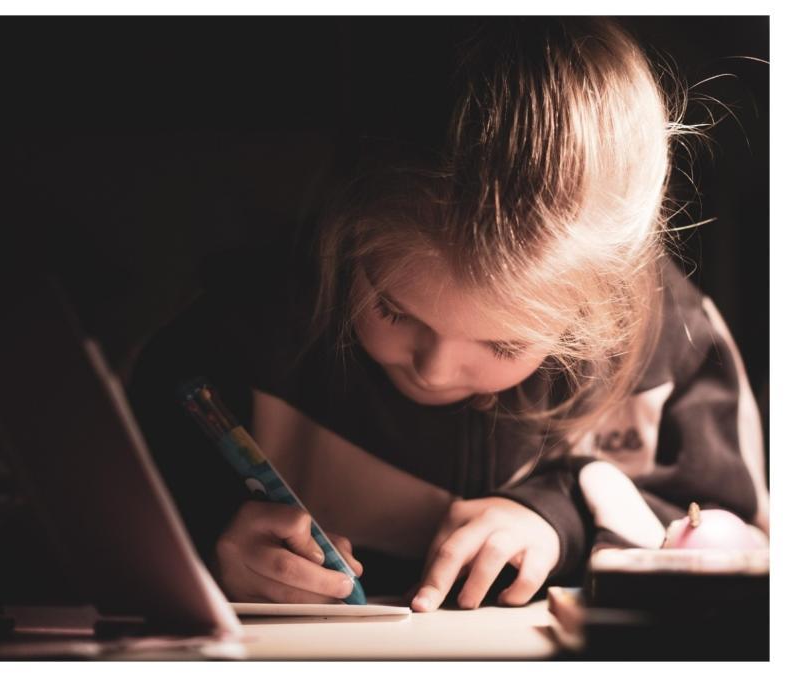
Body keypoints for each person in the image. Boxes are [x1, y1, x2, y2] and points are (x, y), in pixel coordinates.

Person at [127, 17, 768, 612]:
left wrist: (563, 519)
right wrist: (210, 543)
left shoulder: (673, 340)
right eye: (393, 309)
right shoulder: (246, 331)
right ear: (347, 232)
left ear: (594, 310)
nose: (435, 370)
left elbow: (738, 543)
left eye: (505, 343)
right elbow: (109, 517)